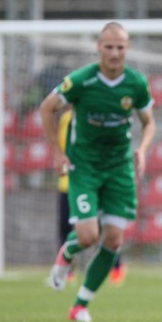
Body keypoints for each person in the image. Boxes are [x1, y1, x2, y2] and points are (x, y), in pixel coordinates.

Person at [40, 21, 155, 322]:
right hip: (85, 167)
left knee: (114, 240)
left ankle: (79, 306)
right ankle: (68, 251)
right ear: (98, 47)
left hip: (119, 168)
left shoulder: (136, 84)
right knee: (89, 236)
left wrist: (142, 149)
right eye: (109, 46)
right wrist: (57, 152)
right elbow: (47, 108)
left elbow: (149, 122)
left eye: (120, 47)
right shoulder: (81, 81)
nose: (114, 53)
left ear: (127, 49)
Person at [54, 110, 127, 287]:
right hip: (69, 183)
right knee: (66, 225)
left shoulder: (97, 116)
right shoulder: (66, 119)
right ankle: (68, 269)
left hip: (94, 182)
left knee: (105, 226)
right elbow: (62, 147)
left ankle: (115, 267)